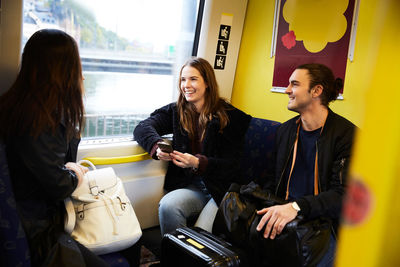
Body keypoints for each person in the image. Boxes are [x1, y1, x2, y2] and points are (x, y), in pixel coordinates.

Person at [0, 29, 111, 266]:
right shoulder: (38, 121)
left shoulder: (23, 107)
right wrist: (75, 173)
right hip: (37, 227)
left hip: (30, 215)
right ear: (64, 71)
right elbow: (59, 185)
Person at [134, 57, 251, 235]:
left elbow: (234, 166)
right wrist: (157, 146)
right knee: (168, 205)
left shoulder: (230, 117)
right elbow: (143, 127)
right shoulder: (177, 111)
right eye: (183, 79)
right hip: (193, 186)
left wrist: (198, 163)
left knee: (200, 234)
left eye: (193, 79)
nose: (186, 85)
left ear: (207, 83)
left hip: (222, 189)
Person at [256, 63, 356, 266]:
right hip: (284, 215)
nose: (287, 90)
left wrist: (296, 207)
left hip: (323, 224)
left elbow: (343, 195)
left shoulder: (347, 135)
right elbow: (271, 181)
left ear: (316, 91)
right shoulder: (286, 131)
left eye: (294, 84)